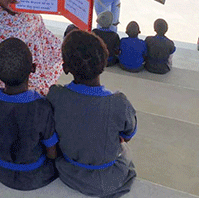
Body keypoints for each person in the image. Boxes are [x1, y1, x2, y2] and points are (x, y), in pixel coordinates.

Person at [47, 30, 137, 197]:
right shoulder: (119, 103)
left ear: (65, 68)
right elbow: (128, 135)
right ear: (104, 62)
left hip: (67, 171)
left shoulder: (55, 95)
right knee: (126, 151)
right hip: (108, 180)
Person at [0, 37, 58, 191]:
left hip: (0, 171)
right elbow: (52, 153)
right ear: (33, 68)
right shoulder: (42, 106)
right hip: (35, 175)